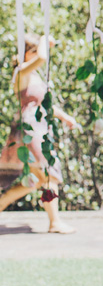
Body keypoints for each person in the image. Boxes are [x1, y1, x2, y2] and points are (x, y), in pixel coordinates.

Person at [0, 34, 79, 234]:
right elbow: (43, 58)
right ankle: (55, 222)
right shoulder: (21, 72)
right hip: (29, 129)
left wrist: (65, 117)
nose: (38, 54)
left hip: (39, 128)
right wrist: (44, 39)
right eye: (34, 50)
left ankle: (54, 221)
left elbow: (44, 104)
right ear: (26, 53)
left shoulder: (34, 75)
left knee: (33, 181)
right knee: (47, 174)